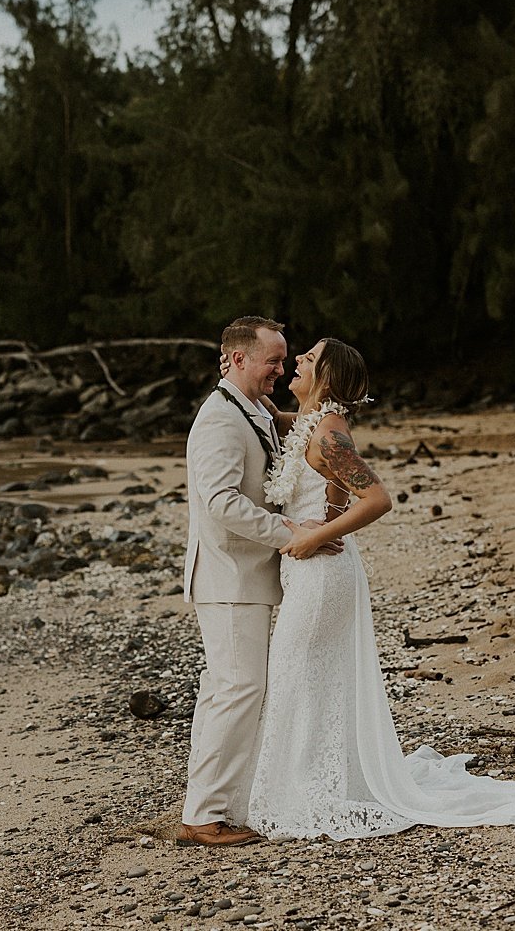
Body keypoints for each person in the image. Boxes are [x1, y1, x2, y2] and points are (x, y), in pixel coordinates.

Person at [245, 337, 515, 840]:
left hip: (322, 574)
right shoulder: (306, 425)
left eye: (308, 359)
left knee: (295, 673)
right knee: (304, 677)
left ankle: (301, 790)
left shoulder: (328, 438)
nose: (297, 360)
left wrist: (313, 537)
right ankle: (303, 779)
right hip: (309, 573)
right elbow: (263, 416)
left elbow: (378, 498)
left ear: (325, 379)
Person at [178, 316, 342, 847]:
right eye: (272, 359)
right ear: (237, 359)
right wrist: (292, 530)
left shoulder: (251, 410)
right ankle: (203, 816)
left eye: (284, 358)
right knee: (239, 688)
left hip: (243, 575)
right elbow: (222, 503)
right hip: (227, 576)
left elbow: (291, 438)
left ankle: (210, 804)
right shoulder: (219, 419)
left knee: (225, 690)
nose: (280, 368)